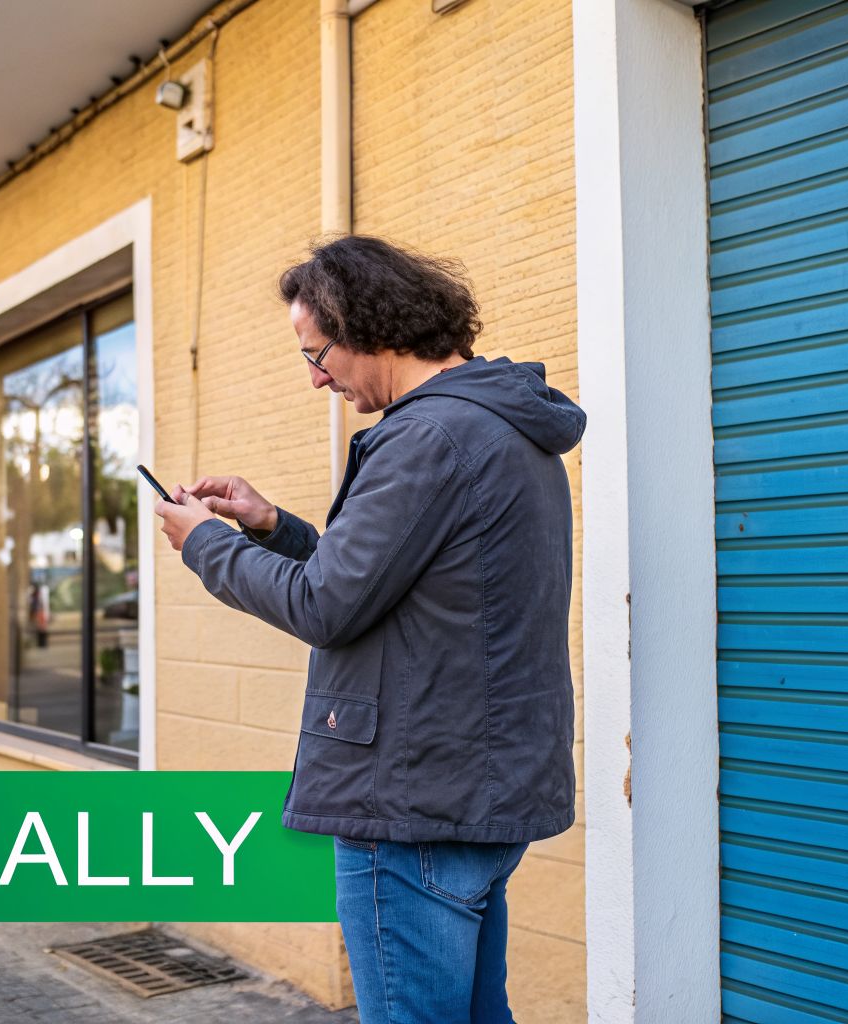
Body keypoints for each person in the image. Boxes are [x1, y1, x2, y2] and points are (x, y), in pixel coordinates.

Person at [153, 236, 585, 1023]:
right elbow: (392, 591)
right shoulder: (499, 429)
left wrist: (204, 545)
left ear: (371, 326)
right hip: (476, 788)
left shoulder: (426, 439)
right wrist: (271, 525)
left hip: (413, 797)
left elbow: (323, 606)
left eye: (317, 353)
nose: (317, 377)